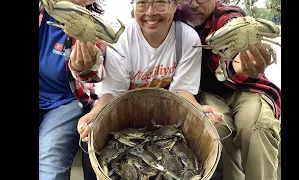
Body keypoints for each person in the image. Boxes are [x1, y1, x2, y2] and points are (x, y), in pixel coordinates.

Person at [72, 0, 224, 145]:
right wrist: (94, 114)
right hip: (124, 113)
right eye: (142, 2)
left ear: (175, 4)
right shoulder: (122, 38)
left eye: (160, 2)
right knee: (89, 143)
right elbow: (113, 93)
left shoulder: (187, 39)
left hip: (164, 115)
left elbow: (181, 92)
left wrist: (197, 108)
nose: (150, 12)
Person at [175, 0, 281, 180]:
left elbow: (234, 26)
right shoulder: (176, 18)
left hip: (247, 87)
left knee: (256, 127)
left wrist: (239, 62)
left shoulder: (225, 15)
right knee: (219, 130)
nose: (193, 4)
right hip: (209, 93)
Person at [39, 0, 106, 179]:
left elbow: (95, 75)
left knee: (50, 163)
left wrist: (83, 68)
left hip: (67, 101)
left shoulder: (94, 26)